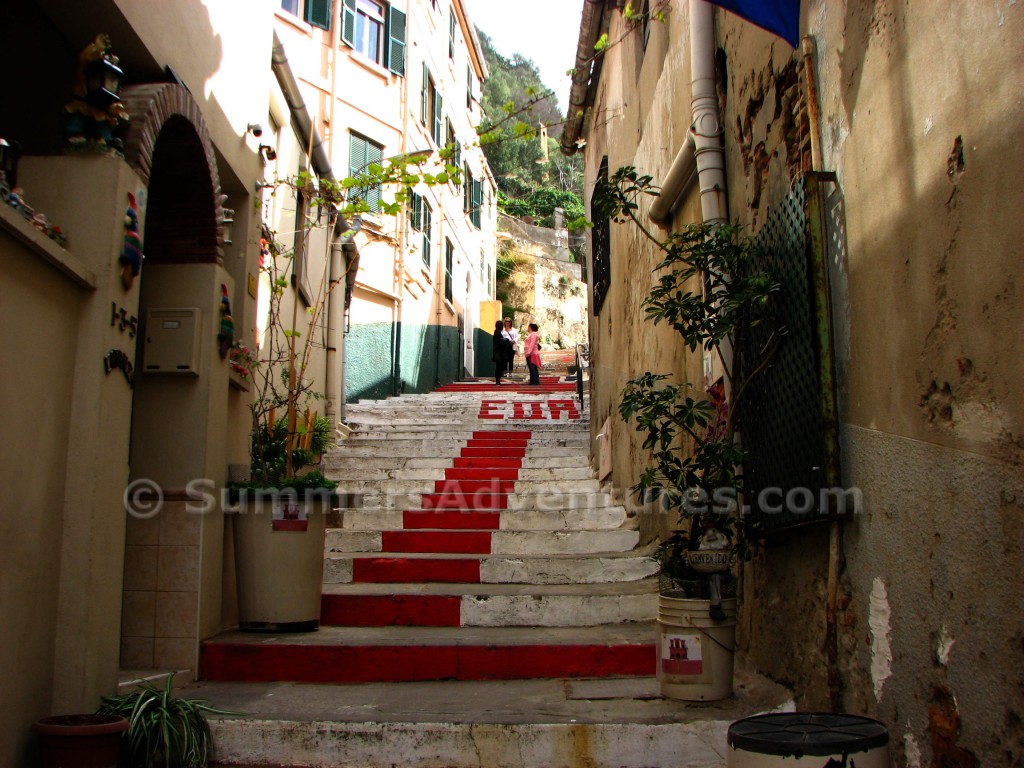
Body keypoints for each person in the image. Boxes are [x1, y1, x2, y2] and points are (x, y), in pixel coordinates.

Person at [491, 320, 513, 384]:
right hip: (500, 353)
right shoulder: (498, 333)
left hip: (498, 352)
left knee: (499, 367)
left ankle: (498, 380)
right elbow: (500, 342)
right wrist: (507, 341)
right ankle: (498, 380)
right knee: (499, 367)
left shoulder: (496, 332)